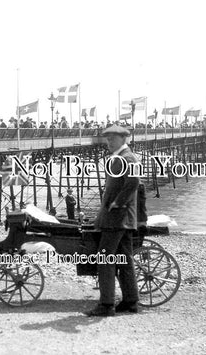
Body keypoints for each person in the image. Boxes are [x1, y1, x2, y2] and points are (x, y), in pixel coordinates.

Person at [86, 125, 139, 317]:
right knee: (124, 261)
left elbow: (133, 182)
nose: (109, 142)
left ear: (124, 139)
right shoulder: (119, 158)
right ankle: (130, 301)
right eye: (107, 139)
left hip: (117, 218)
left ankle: (107, 305)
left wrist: (117, 203)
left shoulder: (128, 158)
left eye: (113, 139)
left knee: (104, 259)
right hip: (119, 219)